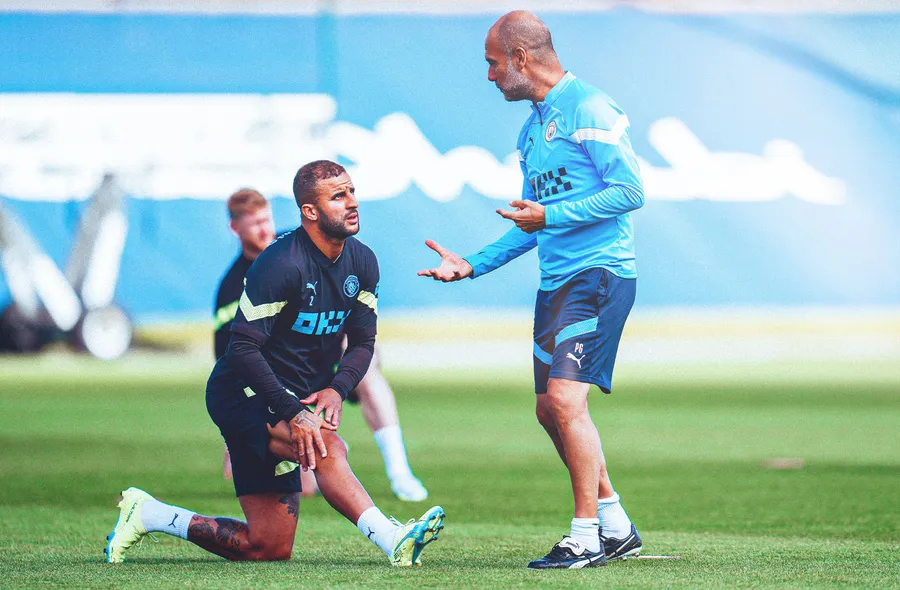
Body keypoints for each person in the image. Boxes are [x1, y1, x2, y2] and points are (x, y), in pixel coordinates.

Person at [106, 160, 445, 566]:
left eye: (352, 191)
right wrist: (293, 412)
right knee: (327, 445)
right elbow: (242, 349)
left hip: (291, 396)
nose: (352, 202)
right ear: (310, 211)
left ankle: (149, 514)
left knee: (267, 547)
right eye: (338, 196)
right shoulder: (280, 263)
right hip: (242, 392)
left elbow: (362, 342)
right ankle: (393, 539)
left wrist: (337, 389)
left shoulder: (363, 261)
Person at [418, 11, 644, 570]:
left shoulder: (591, 107)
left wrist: (551, 215)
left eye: (493, 63)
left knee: (566, 401)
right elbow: (530, 222)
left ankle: (585, 537)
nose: (490, 75)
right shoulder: (530, 131)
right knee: (548, 410)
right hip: (556, 284)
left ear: (520, 58)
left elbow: (630, 191)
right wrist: (471, 265)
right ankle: (616, 523)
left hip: (600, 274)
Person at [214, 189, 429, 502]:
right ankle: (327, 445)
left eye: (266, 219)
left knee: (367, 369)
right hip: (285, 382)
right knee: (304, 487)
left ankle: (400, 472)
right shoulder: (232, 288)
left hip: (327, 355)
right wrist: (234, 429)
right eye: (254, 224)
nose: (264, 229)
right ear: (235, 228)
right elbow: (233, 357)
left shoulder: (296, 247)